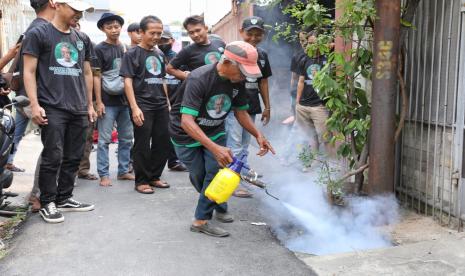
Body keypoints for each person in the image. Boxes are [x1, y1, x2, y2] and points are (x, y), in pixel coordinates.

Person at [170, 41, 275, 237]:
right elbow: (186, 121)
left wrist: (258, 134)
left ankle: (200, 221)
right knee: (199, 177)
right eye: (243, 71)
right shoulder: (199, 78)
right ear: (227, 62)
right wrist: (215, 148)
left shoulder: (238, 81)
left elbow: (241, 112)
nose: (245, 76)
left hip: (214, 131)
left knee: (214, 173)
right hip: (185, 134)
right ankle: (218, 201)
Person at [22, 0, 97, 223]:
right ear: (57, 4)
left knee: (74, 156)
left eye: (83, 11)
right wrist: (35, 105)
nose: (79, 14)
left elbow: (86, 73)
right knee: (53, 155)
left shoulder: (82, 39)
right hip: (52, 107)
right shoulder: (39, 33)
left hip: (78, 107)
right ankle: (47, 202)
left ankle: (64, 197)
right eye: (75, 9)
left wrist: (90, 104)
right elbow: (29, 71)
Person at [120, 15, 170, 194]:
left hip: (161, 105)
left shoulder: (159, 53)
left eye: (159, 33)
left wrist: (168, 102)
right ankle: (141, 180)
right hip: (142, 105)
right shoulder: (132, 54)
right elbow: (127, 82)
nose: (156, 37)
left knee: (163, 141)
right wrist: (134, 107)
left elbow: (162, 79)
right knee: (142, 143)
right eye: (152, 33)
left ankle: (154, 176)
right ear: (141, 32)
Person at [6, 0, 56, 173]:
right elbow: (28, 67)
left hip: (25, 94)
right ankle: (38, 194)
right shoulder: (42, 30)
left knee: (15, 133)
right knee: (53, 144)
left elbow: (19, 59)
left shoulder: (33, 29)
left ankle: (7, 161)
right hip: (35, 95)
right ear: (52, 3)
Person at [225, 16, 272, 198]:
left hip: (251, 105)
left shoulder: (263, 56)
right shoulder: (232, 52)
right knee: (234, 144)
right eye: (249, 34)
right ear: (240, 32)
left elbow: (264, 82)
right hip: (234, 107)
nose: (253, 38)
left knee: (244, 144)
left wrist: (267, 106)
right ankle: (233, 182)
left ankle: (242, 173)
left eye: (257, 34)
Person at [94, 12, 134, 187]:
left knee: (126, 138)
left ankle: (123, 171)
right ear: (103, 29)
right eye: (109, 27)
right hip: (107, 101)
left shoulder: (125, 48)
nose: (114, 30)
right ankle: (103, 174)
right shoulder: (99, 49)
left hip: (125, 102)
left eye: (116, 26)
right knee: (103, 140)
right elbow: (96, 76)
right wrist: (98, 102)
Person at [295, 30, 330, 154]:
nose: (310, 46)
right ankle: (313, 162)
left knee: (325, 138)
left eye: (314, 43)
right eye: (309, 43)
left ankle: (329, 167)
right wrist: (297, 102)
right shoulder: (304, 59)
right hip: (303, 106)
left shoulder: (328, 60)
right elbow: (301, 81)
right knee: (310, 137)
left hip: (319, 107)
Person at [158, 29, 187, 172]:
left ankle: (174, 160)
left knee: (174, 131)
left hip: (176, 100)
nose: (163, 43)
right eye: (160, 40)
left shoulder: (179, 57)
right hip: (158, 100)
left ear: (172, 41)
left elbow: (186, 77)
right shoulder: (154, 56)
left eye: (166, 40)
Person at [166, 15, 225, 81]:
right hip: (202, 90)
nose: (195, 35)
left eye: (198, 30)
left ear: (206, 28)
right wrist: (189, 77)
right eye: (191, 32)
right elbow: (169, 69)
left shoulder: (220, 43)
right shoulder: (187, 50)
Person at [282, 30, 309, 125]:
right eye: (301, 40)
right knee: (298, 120)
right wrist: (292, 97)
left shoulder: (321, 56)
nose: (304, 43)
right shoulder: (297, 56)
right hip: (299, 94)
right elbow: (294, 78)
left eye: (306, 40)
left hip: (314, 97)